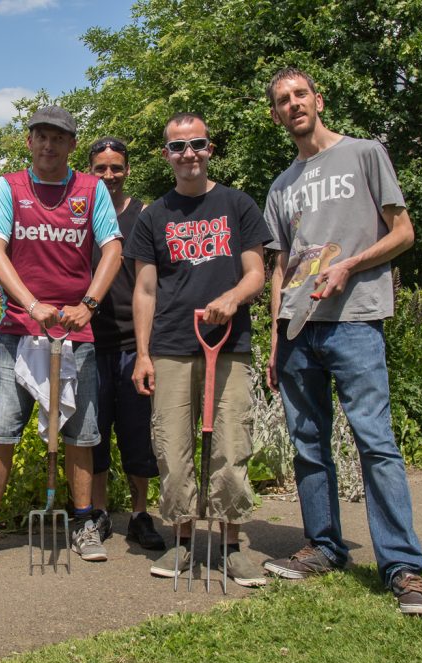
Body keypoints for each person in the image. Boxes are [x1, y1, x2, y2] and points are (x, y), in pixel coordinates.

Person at [262, 68, 422, 616]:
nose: (293, 105)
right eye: (282, 101)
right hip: (297, 331)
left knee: (376, 443)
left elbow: (403, 232)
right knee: (308, 445)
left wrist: (349, 266)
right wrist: (274, 336)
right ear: (275, 115)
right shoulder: (281, 186)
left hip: (356, 321)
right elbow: (279, 266)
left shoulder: (365, 154)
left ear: (318, 99)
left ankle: (403, 567)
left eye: (300, 95)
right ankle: (324, 545)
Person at [0, 106, 123, 565]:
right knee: (1, 431)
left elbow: (112, 248)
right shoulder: (9, 187)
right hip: (18, 329)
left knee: (80, 433)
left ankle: (83, 522)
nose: (49, 146)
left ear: (73, 145)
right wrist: (33, 306)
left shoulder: (90, 189)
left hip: (78, 333)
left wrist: (87, 305)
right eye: (41, 137)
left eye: (59, 138)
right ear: (29, 141)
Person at [126, 112, 270, 587]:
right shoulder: (153, 216)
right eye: (178, 147)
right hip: (170, 346)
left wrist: (232, 298)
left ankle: (231, 545)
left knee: (231, 444)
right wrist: (143, 354)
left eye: (198, 144)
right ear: (165, 154)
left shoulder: (238, 205)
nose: (189, 154)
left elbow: (256, 272)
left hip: (228, 345)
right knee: (173, 447)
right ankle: (183, 542)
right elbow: (145, 291)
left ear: (210, 149)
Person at [85, 137, 164, 550]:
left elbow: (155, 283)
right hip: (91, 343)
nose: (109, 176)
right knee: (93, 433)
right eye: (101, 169)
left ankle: (139, 514)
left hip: (134, 344)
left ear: (127, 170)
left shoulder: (144, 216)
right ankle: (98, 513)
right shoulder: (80, 217)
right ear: (90, 172)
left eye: (116, 168)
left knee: (136, 436)